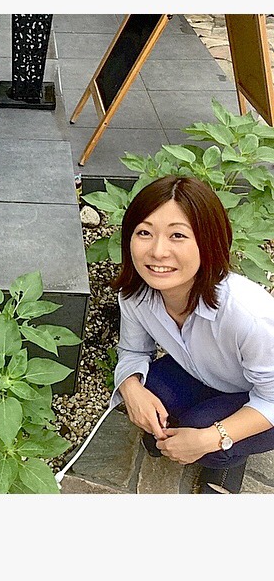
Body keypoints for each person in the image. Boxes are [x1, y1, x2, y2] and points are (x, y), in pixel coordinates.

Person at [110, 175, 274, 493]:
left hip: (264, 394)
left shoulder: (249, 315)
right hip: (210, 374)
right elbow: (133, 352)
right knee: (152, 402)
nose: (158, 251)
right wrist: (131, 389)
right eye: (144, 232)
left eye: (178, 236)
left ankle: (226, 467)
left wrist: (211, 437)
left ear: (207, 241)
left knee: (201, 438)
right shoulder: (135, 296)